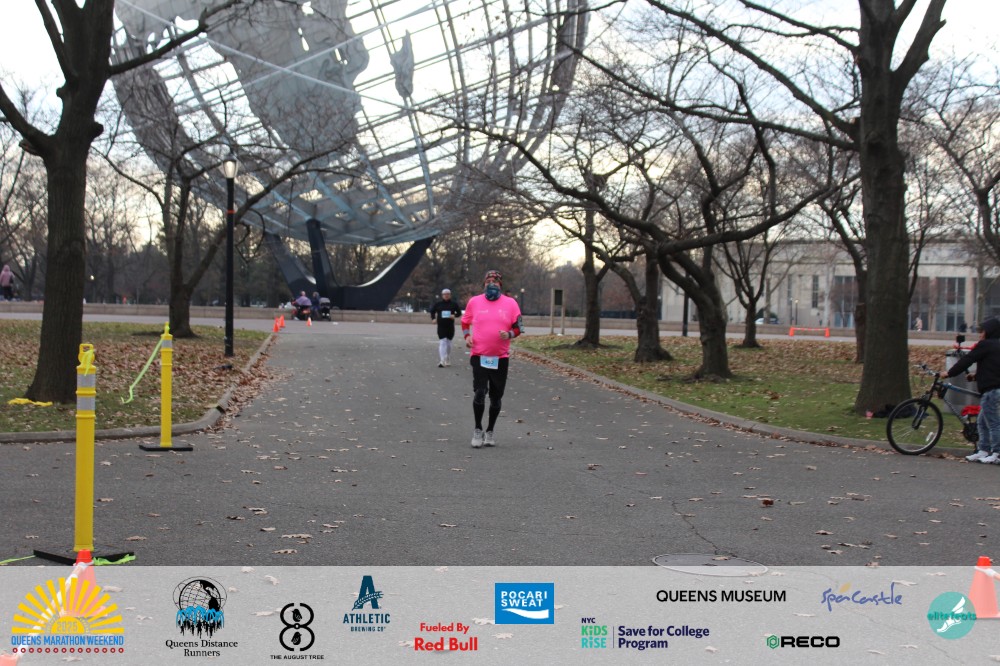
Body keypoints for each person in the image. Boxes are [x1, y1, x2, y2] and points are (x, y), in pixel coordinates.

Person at [461, 270, 523, 448]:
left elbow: (519, 328)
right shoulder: (474, 302)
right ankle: (477, 429)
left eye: (495, 281)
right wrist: (467, 336)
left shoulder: (511, 303)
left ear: (500, 285)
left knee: (496, 398)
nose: (491, 284)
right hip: (479, 355)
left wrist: (509, 334)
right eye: (488, 281)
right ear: (484, 284)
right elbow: (465, 322)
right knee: (480, 392)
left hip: (500, 357)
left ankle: (490, 431)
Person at [939, 317, 1000, 463]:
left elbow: (967, 360)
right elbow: (993, 368)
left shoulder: (985, 345)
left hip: (991, 390)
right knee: (982, 422)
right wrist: (976, 376)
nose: (980, 334)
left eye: (982, 331)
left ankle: (997, 453)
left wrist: (949, 373)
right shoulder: (996, 346)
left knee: (992, 423)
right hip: (993, 388)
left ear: (989, 332)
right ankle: (983, 450)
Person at [430, 288, 462, 367]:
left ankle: (447, 357)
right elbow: (432, 311)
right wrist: (433, 318)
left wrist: (454, 315)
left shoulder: (454, 304)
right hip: (441, 326)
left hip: (450, 326)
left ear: (450, 295)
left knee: (449, 343)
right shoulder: (438, 304)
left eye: (448, 294)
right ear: (442, 295)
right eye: (444, 294)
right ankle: (442, 360)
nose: (446, 295)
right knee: (442, 341)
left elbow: (459, 313)